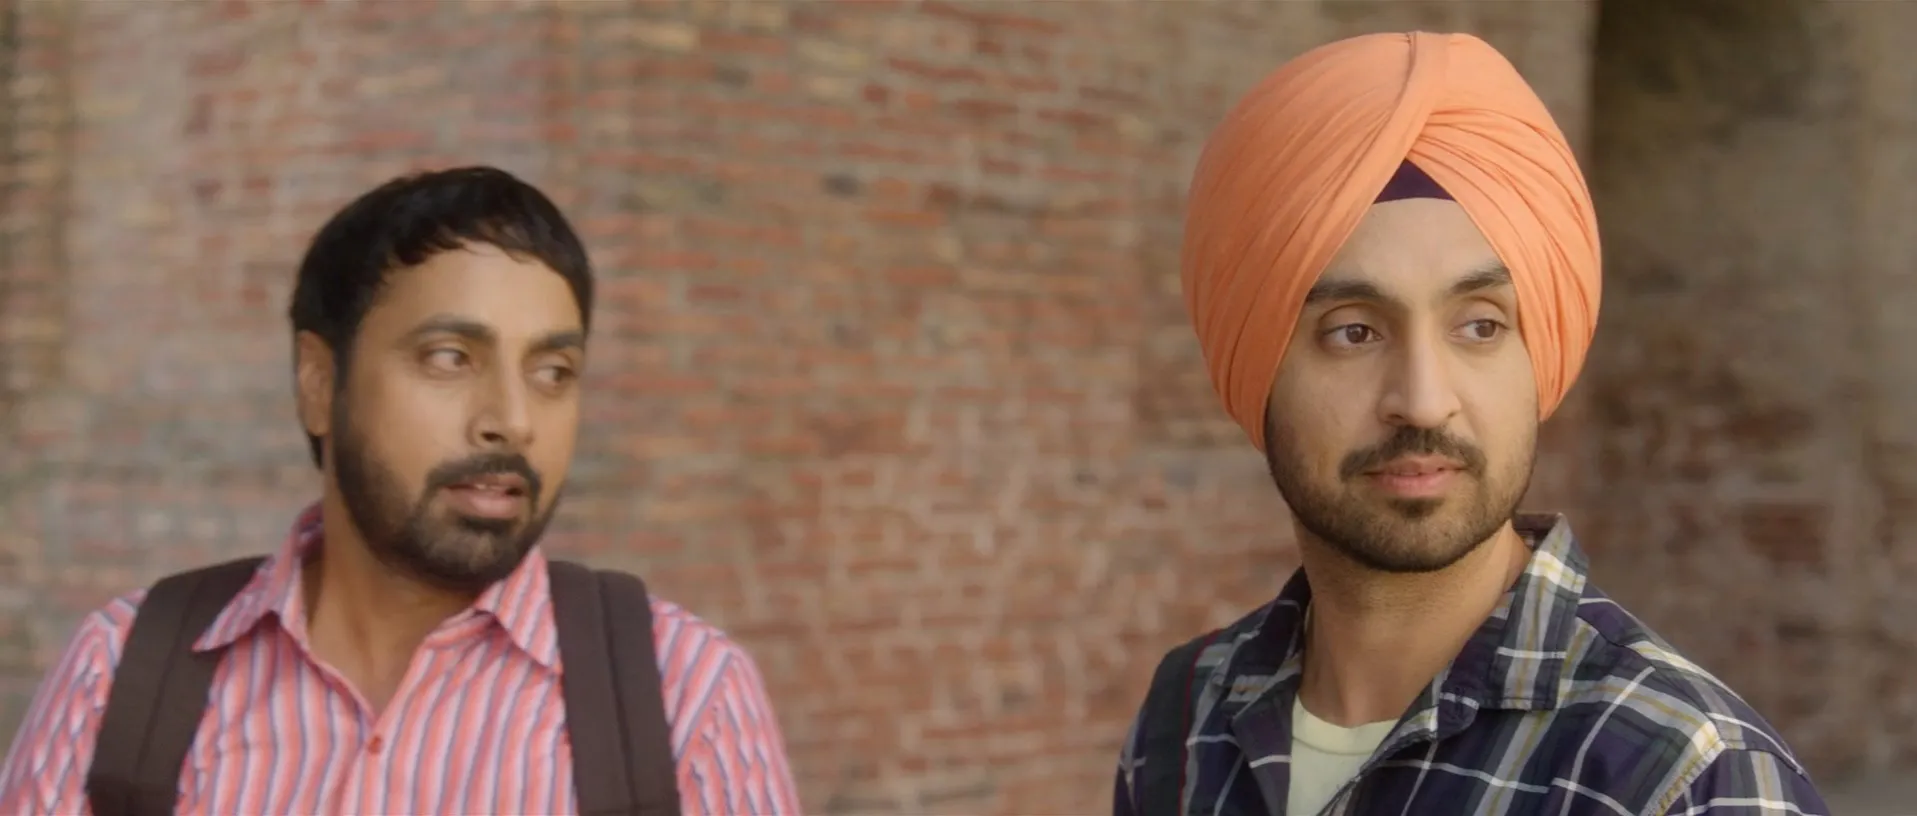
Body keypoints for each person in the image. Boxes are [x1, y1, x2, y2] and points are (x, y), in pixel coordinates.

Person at [1113, 32, 1829, 816]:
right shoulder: (1186, 717)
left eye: (1479, 326)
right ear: (1255, 366)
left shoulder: (1687, 782)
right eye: (1353, 332)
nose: (1423, 402)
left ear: (1536, 355)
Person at [0, 167, 802, 815]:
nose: (512, 420)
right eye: (449, 358)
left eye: (553, 372)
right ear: (320, 383)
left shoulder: (683, 696)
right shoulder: (120, 677)